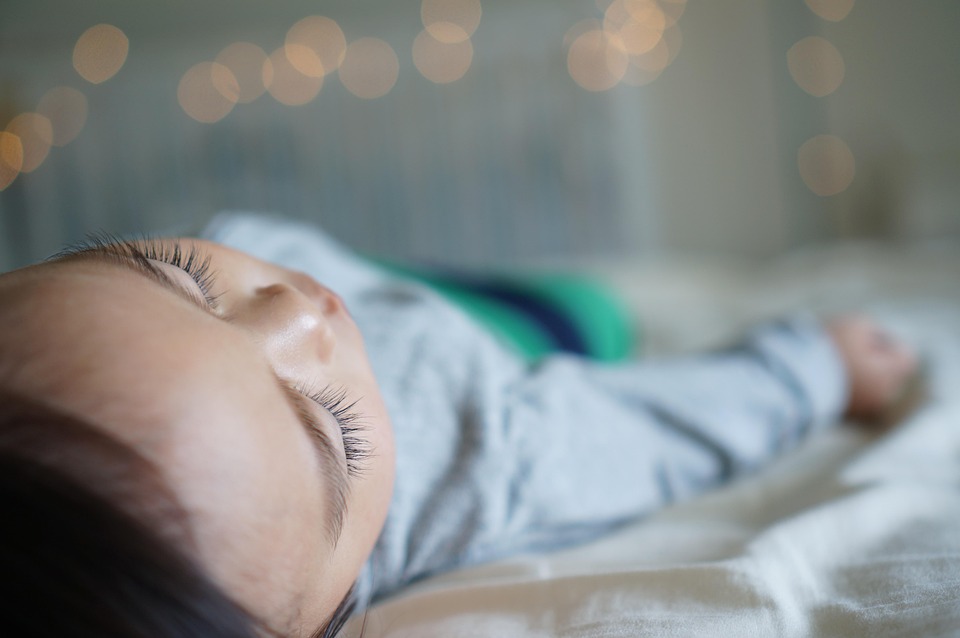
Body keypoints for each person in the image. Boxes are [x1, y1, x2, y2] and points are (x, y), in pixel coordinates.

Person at [0, 212, 918, 637]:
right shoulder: (476, 459)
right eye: (330, 431)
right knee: (591, 309)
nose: (300, 315)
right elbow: (646, 434)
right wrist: (814, 368)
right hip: (507, 336)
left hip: (390, 273)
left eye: (170, 274)